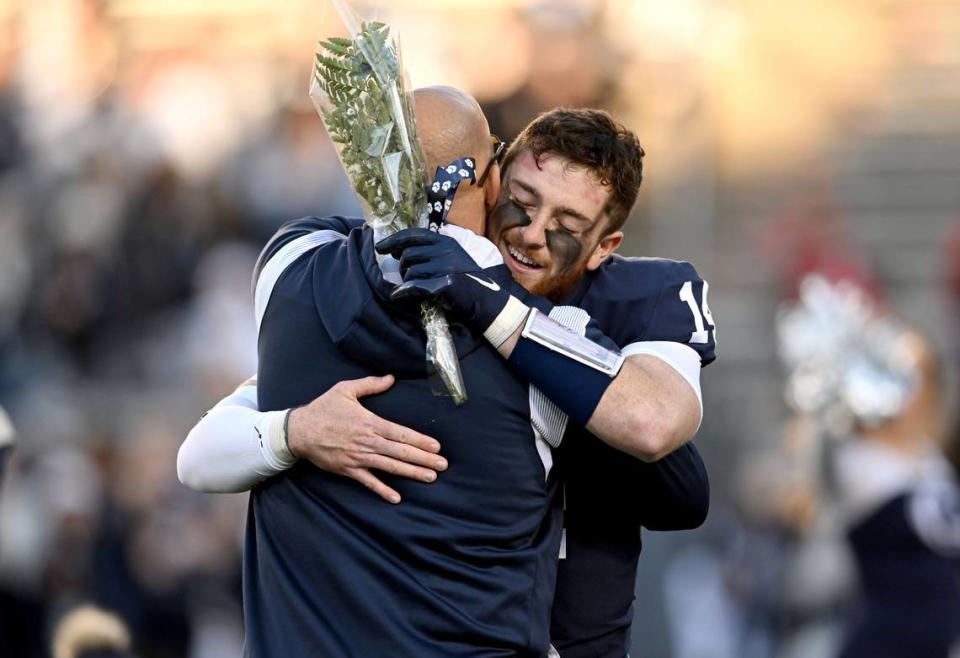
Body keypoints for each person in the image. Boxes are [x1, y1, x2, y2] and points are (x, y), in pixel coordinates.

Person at [179, 91, 715, 657]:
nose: (531, 233)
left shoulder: (629, 301)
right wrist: (295, 431)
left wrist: (495, 305)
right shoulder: (350, 269)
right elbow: (200, 452)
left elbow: (673, 470)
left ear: (605, 246)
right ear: (495, 176)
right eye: (523, 200)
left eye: (566, 223)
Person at [833, 330, 960, 658]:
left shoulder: (934, 459)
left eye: (920, 376)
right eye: (899, 373)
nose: (910, 389)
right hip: (882, 643)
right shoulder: (855, 458)